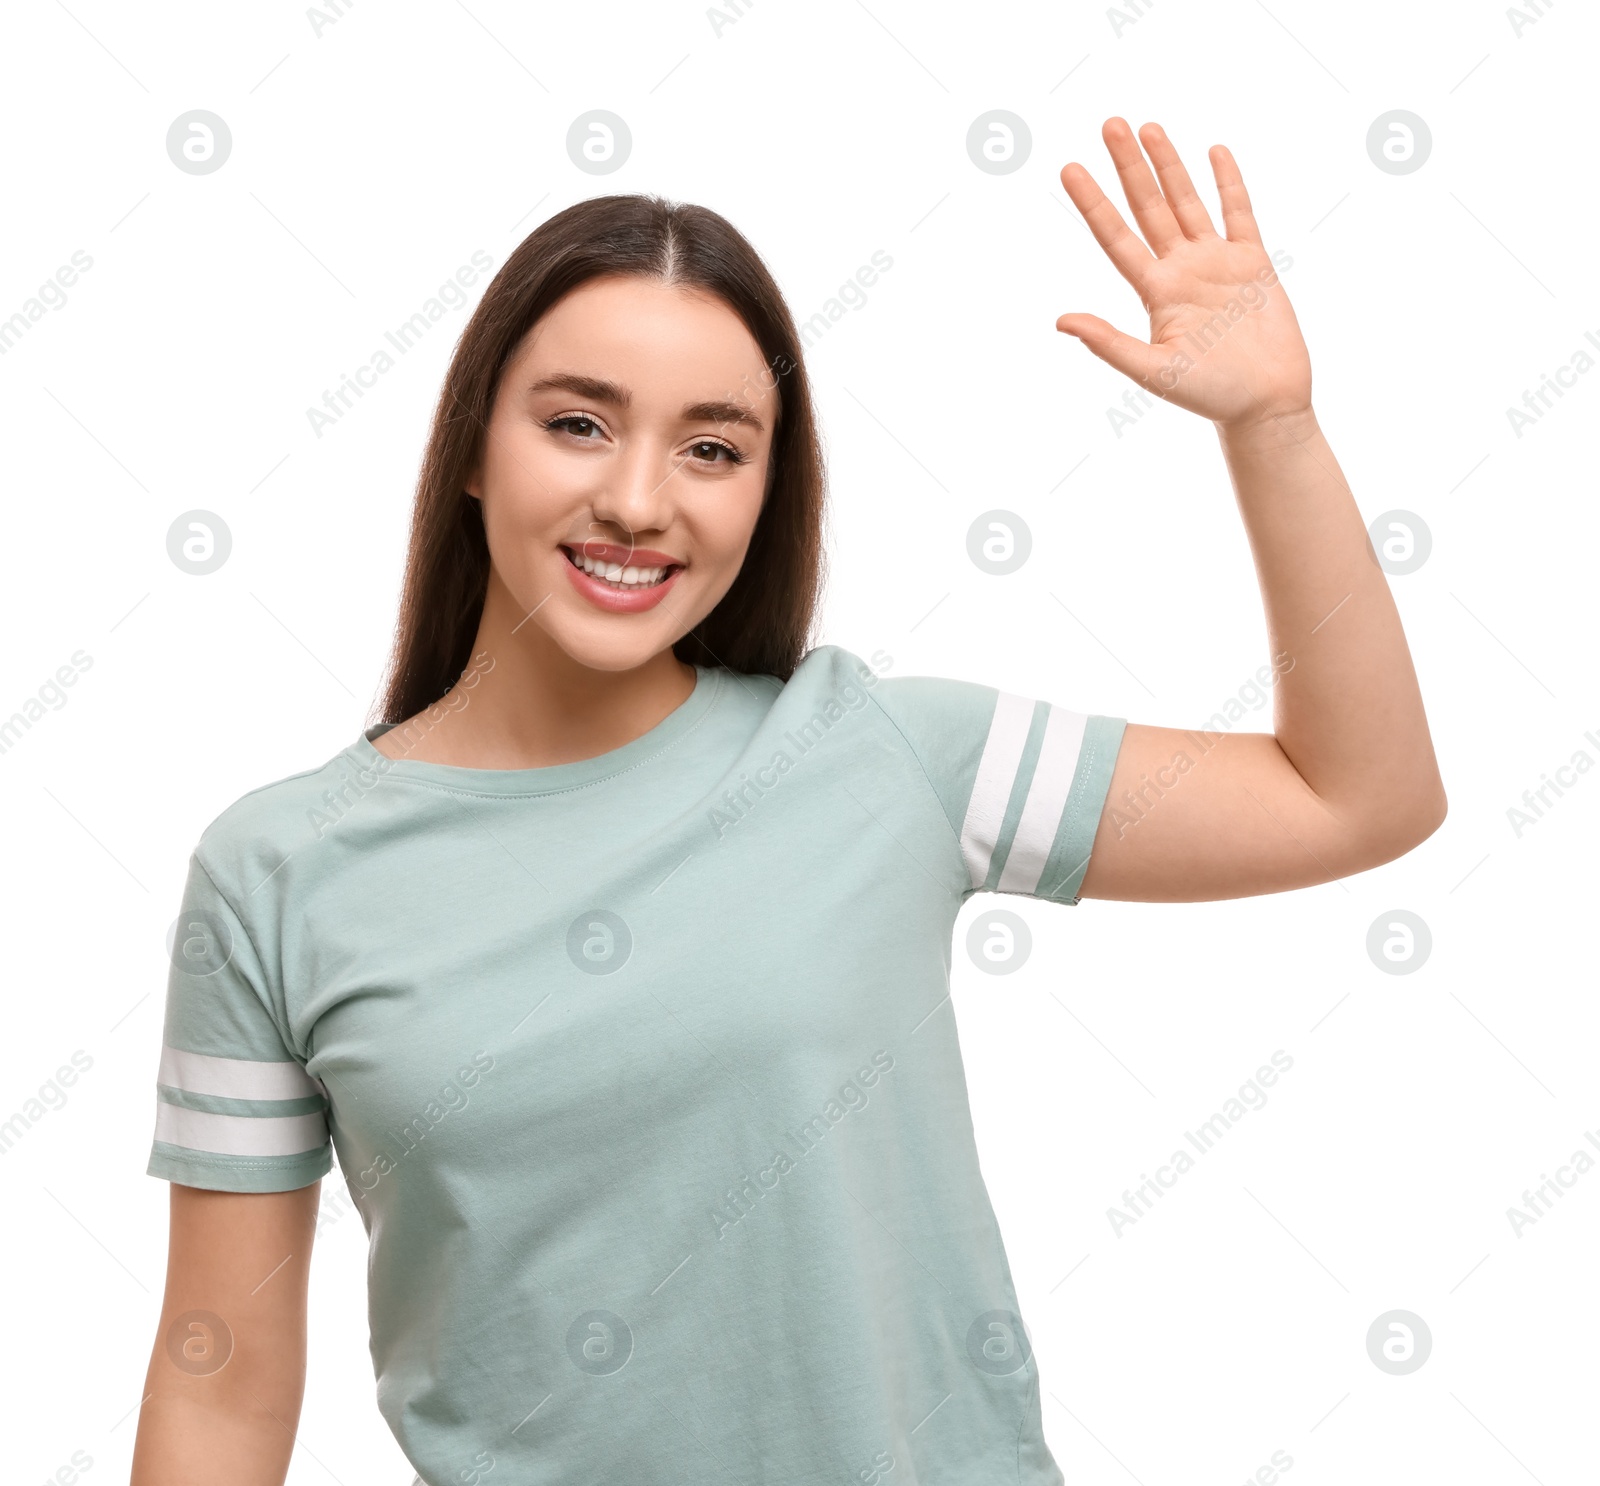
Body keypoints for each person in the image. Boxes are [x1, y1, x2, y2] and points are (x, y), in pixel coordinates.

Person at [130, 117, 1445, 1485]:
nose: (637, 499)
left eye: (714, 448)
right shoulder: (277, 873)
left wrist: (1273, 428)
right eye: (577, 423)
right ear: (473, 446)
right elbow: (219, 1385)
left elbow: (1357, 796)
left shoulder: (887, 754)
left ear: (769, 490)